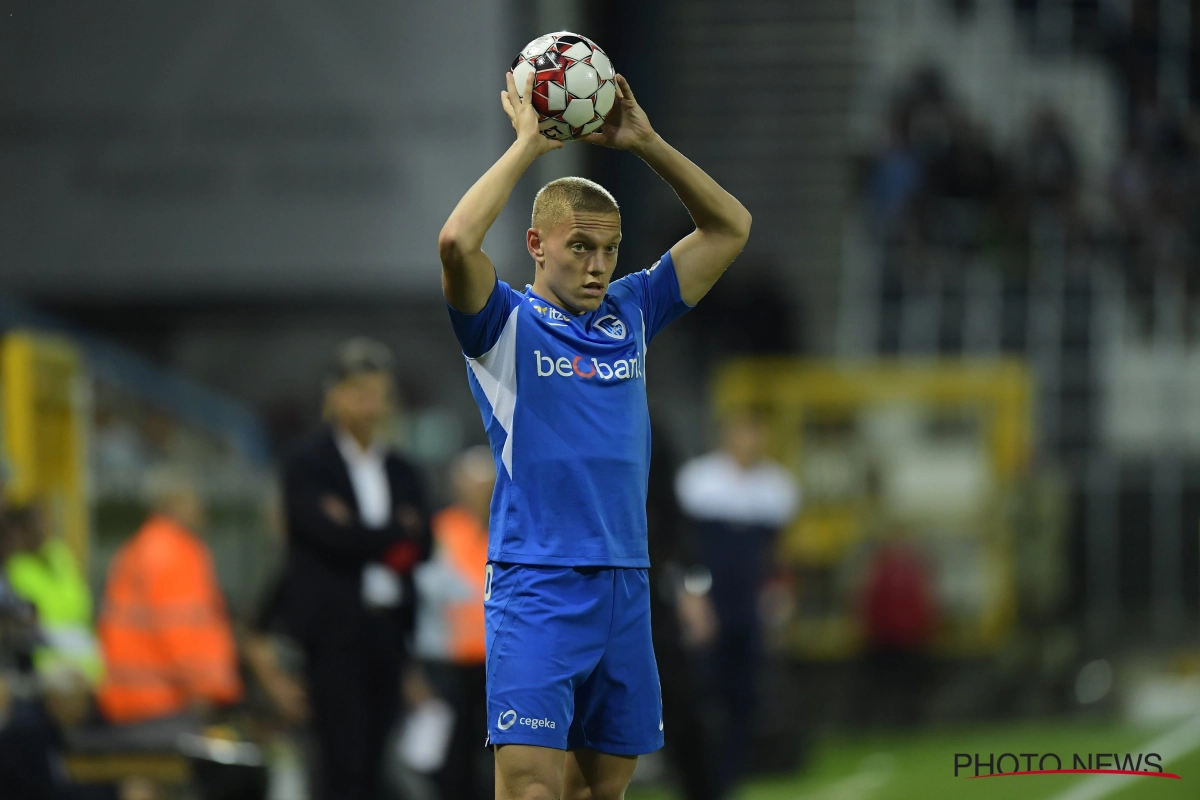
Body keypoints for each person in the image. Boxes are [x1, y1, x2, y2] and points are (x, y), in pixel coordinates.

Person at [437, 67, 751, 800]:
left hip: (626, 584)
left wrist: (646, 143)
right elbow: (455, 241)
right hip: (537, 584)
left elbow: (730, 226)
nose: (598, 264)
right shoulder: (502, 324)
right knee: (530, 788)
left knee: (599, 791)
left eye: (608, 250)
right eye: (580, 247)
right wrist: (526, 146)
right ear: (537, 245)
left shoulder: (631, 311)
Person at [280, 338, 431, 800]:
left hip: (389, 628)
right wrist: (390, 535)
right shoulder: (308, 463)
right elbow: (325, 538)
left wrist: (361, 534)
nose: (369, 402)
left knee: (377, 756)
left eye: (377, 391)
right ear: (334, 395)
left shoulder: (403, 468)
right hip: (333, 634)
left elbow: (421, 545)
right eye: (358, 390)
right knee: (339, 760)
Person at [675, 412, 799, 789]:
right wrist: (691, 596)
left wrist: (780, 593)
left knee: (744, 693)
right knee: (700, 690)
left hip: (750, 603)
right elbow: (685, 548)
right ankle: (697, 773)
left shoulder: (777, 486)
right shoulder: (699, 481)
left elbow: (779, 554)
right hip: (710, 599)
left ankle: (732, 773)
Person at [95, 467, 242, 729]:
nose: (201, 509)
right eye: (195, 500)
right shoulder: (177, 553)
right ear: (174, 503)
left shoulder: (136, 548)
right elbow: (181, 631)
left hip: (127, 699)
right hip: (166, 702)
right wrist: (205, 689)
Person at [413, 446, 495, 800]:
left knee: (490, 759)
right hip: (445, 663)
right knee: (448, 759)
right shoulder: (438, 531)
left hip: (497, 665)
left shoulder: (512, 530)